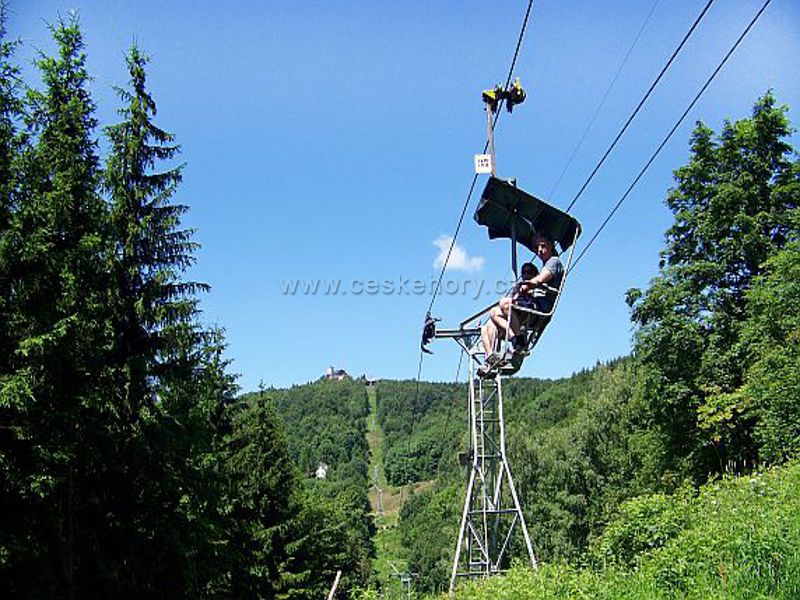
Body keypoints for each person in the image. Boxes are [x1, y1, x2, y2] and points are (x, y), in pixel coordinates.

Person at [480, 234, 563, 364]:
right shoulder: (545, 265)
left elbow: (540, 279)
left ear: (551, 246)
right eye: (537, 247)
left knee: (504, 303)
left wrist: (526, 286)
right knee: (492, 316)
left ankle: (518, 340)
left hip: (538, 308)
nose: (539, 250)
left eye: (543, 246)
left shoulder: (554, 262)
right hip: (529, 307)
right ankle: (494, 353)